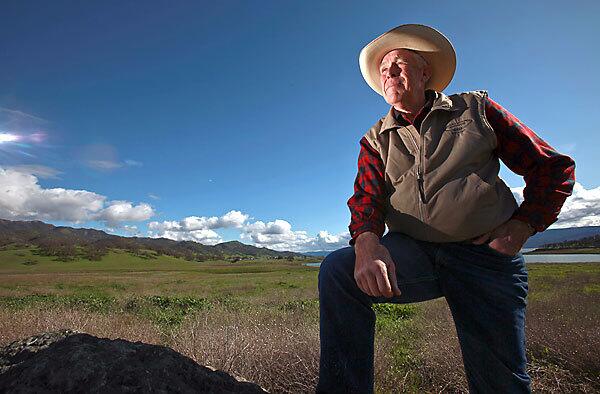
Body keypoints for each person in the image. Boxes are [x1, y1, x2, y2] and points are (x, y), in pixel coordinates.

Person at [316, 24, 575, 393]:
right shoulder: (376, 138)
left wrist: (523, 225)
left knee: (500, 381)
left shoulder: (475, 110)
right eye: (384, 69)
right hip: (414, 252)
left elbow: (552, 167)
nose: (389, 73)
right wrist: (367, 244)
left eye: (399, 65)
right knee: (337, 271)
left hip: (483, 254)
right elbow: (366, 199)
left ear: (425, 73)